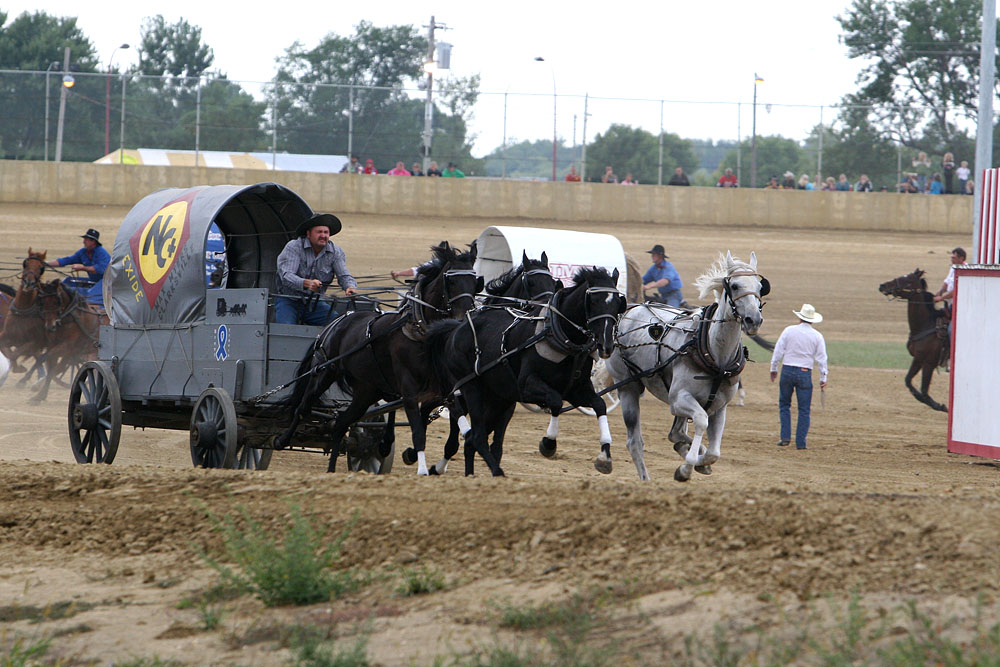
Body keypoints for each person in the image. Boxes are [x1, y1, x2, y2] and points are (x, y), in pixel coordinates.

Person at [274, 213, 358, 326]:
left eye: (326, 232)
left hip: (314, 302)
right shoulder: (294, 247)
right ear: (308, 234)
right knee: (286, 331)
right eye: (319, 232)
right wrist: (306, 283)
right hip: (288, 300)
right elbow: (286, 276)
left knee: (338, 325)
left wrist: (350, 287)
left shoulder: (335, 252)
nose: (323, 235)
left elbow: (344, 276)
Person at [769, 304, 828, 450]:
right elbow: (822, 359)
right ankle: (801, 442)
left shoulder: (789, 330)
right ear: (812, 320)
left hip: (787, 370)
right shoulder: (817, 336)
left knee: (784, 405)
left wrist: (773, 368)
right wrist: (823, 378)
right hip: (804, 372)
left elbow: (778, 351)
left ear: (800, 317)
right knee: (804, 409)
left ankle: (785, 438)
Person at [48, 228, 110, 306]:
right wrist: (45, 264)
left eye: (86, 239)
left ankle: (100, 313)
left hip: (107, 282)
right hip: (95, 281)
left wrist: (82, 268)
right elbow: (65, 261)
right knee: (67, 283)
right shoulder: (83, 252)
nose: (83, 242)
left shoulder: (102, 253)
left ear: (93, 241)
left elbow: (99, 269)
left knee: (91, 296)